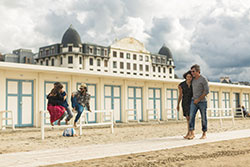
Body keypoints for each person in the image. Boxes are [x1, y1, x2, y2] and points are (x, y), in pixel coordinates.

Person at [188, 64, 209, 140]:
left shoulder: (203, 79)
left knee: (203, 118)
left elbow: (206, 91)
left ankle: (204, 133)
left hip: (202, 102)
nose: (192, 73)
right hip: (193, 101)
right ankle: (192, 133)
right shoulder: (192, 79)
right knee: (191, 117)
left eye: (193, 71)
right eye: (191, 72)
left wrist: (199, 99)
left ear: (198, 71)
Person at [177, 70, 193, 139]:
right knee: (187, 118)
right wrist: (178, 104)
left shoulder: (194, 84)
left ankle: (192, 133)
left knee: (191, 117)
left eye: (190, 77)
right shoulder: (181, 85)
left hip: (192, 101)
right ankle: (189, 132)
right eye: (187, 76)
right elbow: (180, 95)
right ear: (185, 77)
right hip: (185, 102)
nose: (189, 78)